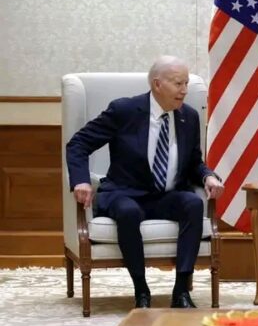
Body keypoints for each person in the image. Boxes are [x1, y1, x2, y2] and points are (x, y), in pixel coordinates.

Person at [66, 55, 224, 309]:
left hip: (165, 196)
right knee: (128, 212)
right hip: (125, 193)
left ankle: (181, 290)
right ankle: (141, 289)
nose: (184, 90)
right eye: (178, 84)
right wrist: (81, 181)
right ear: (157, 84)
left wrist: (207, 175)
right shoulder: (124, 111)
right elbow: (79, 143)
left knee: (193, 205)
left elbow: (194, 161)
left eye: (186, 83)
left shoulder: (189, 117)